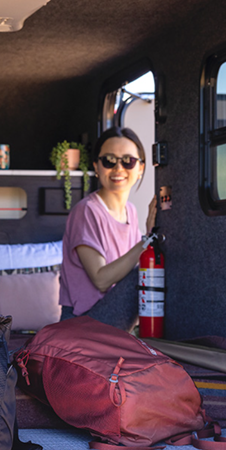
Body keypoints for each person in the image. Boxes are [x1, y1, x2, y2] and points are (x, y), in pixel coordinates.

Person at [58, 126, 158, 332]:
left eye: (128, 161)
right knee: (144, 274)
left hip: (111, 315)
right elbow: (101, 280)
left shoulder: (131, 211)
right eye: (109, 161)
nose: (118, 168)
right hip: (82, 322)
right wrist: (146, 240)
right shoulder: (87, 211)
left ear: (140, 168)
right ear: (97, 166)